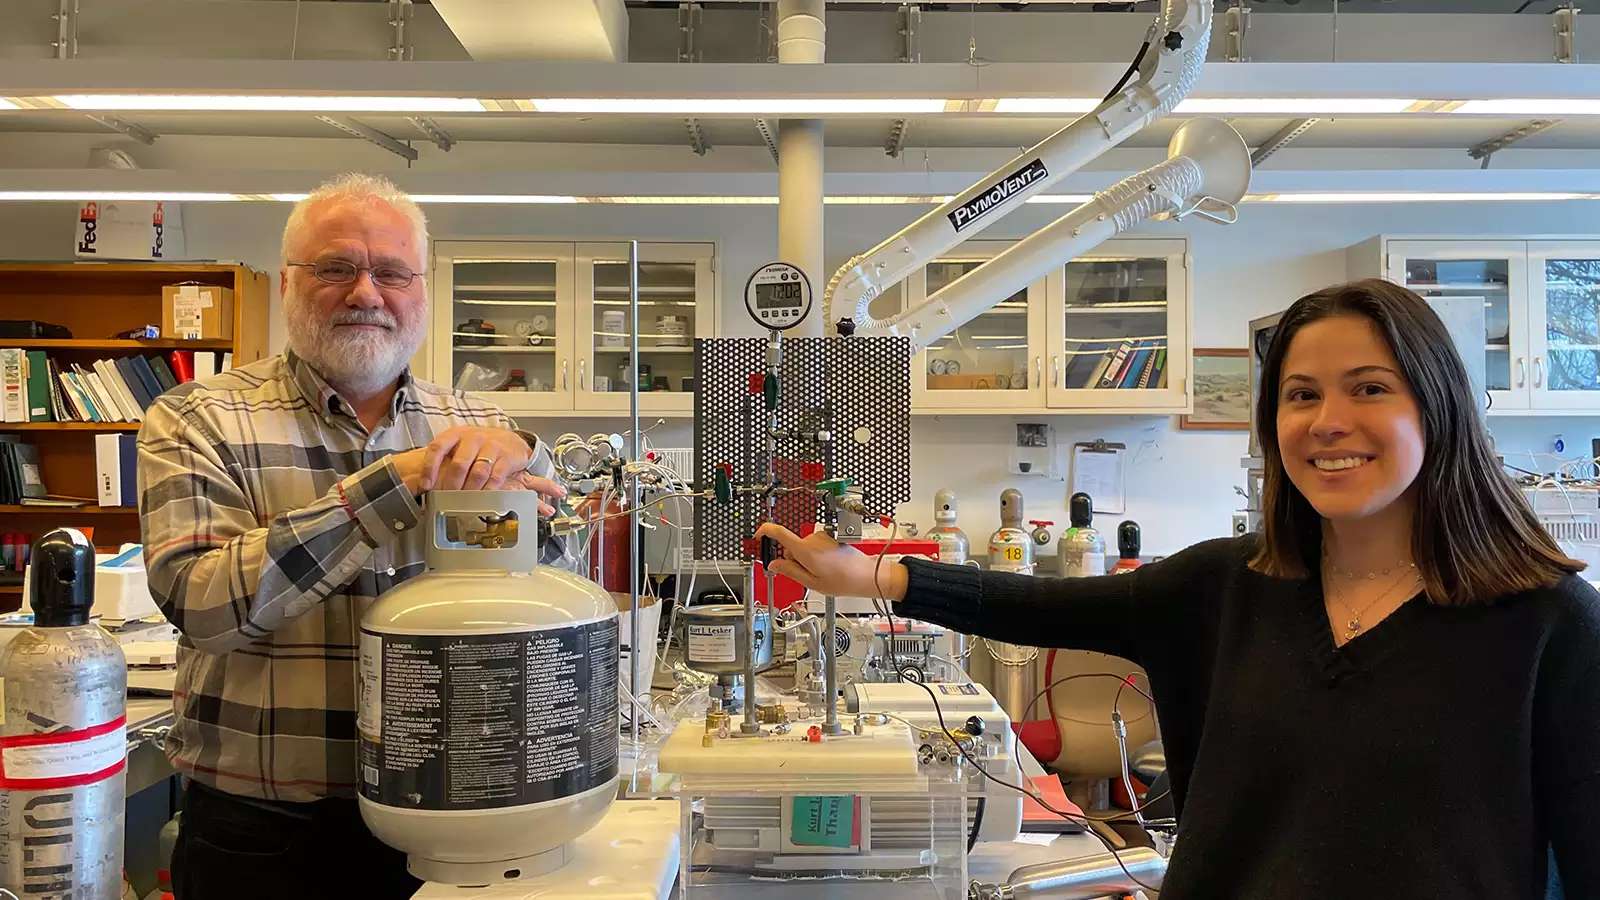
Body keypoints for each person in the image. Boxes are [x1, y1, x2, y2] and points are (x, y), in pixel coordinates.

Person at [758, 279, 1599, 899]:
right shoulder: (1225, 587)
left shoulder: (1549, 629)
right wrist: (867, 573)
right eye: (1300, 395)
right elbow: (1031, 604)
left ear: (1438, 406)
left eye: (1370, 388)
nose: (1328, 421)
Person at [139, 173, 567, 900]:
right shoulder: (197, 417)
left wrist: (537, 488)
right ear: (288, 283)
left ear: (422, 289)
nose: (367, 293)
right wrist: (396, 485)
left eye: (392, 272)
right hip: (260, 836)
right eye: (337, 267)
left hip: (457, 821)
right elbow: (202, 606)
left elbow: (555, 609)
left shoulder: (480, 426)